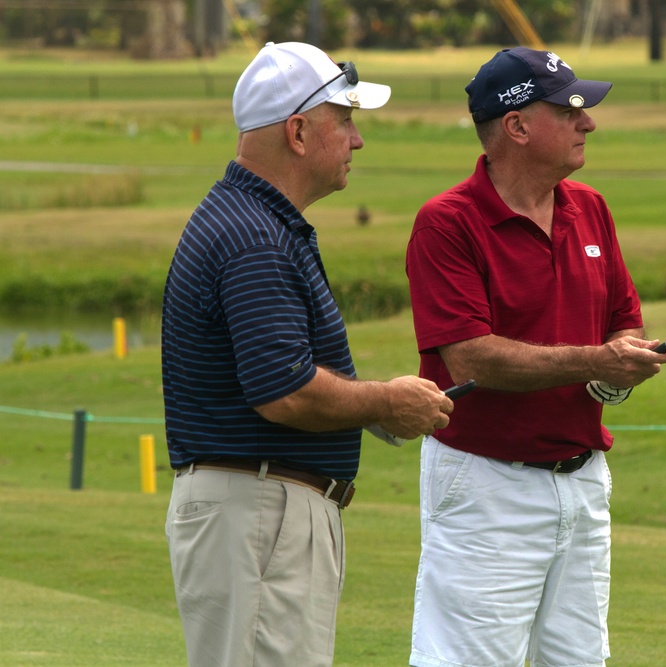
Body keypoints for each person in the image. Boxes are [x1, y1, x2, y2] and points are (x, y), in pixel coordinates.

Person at [161, 41, 453, 667]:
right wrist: (385, 401)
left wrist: (375, 409)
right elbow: (283, 391)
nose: (357, 139)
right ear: (297, 132)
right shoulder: (254, 237)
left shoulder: (255, 220)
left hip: (257, 510)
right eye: (344, 120)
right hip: (259, 511)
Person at [405, 47, 666, 667]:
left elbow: (622, 322)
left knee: (580, 660)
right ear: (517, 126)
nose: (589, 121)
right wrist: (596, 363)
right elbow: (471, 359)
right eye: (569, 108)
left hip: (582, 484)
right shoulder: (447, 223)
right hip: (486, 482)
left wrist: (617, 374)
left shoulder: (591, 207)